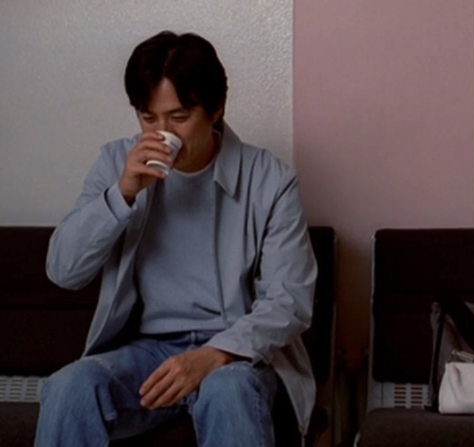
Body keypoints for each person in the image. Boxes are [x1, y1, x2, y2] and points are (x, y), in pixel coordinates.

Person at [36, 31, 316, 447]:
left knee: (229, 389)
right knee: (69, 387)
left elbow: (289, 298)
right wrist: (122, 193)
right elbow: (63, 271)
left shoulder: (271, 180)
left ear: (216, 109)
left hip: (235, 354)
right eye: (148, 118)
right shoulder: (115, 163)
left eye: (179, 117)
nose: (163, 132)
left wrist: (214, 355)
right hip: (145, 353)